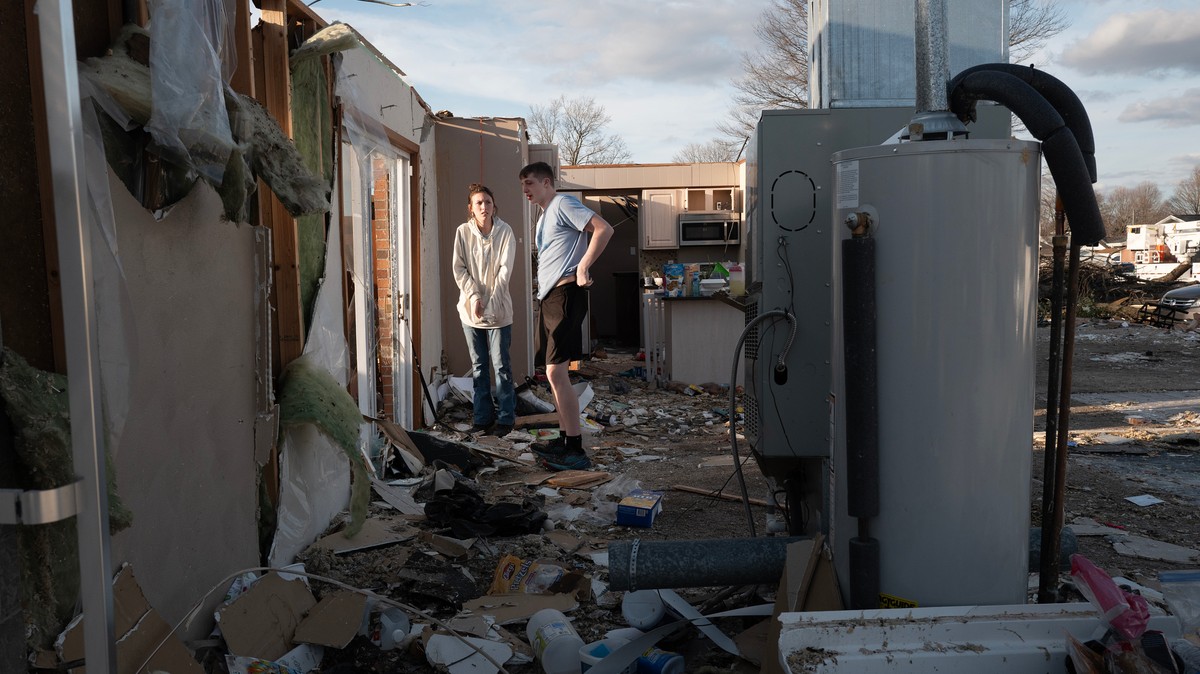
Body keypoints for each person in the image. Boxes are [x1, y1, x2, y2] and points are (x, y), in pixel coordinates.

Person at [519, 161, 614, 470]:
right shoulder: (546, 216)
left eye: (530, 183)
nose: (526, 190)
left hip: (565, 294)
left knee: (557, 373)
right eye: (523, 185)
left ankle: (574, 449)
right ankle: (564, 439)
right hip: (550, 298)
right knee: (550, 373)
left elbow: (604, 228)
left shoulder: (562, 203)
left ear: (547, 182)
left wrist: (584, 266)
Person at [452, 183, 517, 436]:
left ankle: (506, 419)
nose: (483, 207)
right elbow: (459, 269)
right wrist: (475, 297)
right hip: (471, 313)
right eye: (478, 203)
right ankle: (482, 419)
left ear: (493, 206)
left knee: (501, 367)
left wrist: (490, 304)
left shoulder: (506, 232)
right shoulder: (462, 233)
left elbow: (504, 272)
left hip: (500, 313)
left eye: (487, 202)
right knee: (479, 367)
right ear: (471, 208)